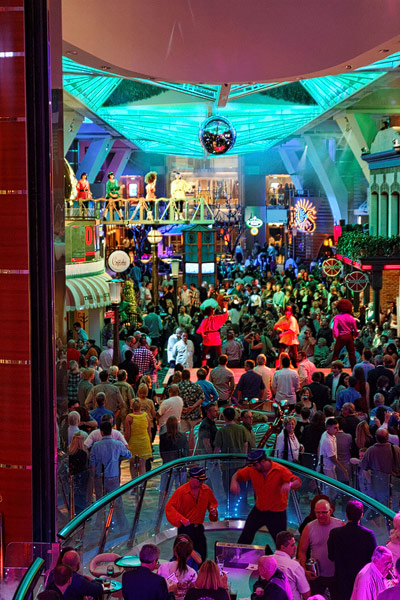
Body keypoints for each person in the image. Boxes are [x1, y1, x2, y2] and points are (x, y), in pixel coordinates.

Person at [231, 449, 301, 544]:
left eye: (255, 465)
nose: (254, 467)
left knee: (281, 543)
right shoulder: (253, 469)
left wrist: (289, 484)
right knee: (246, 535)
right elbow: (237, 474)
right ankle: (240, 552)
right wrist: (234, 481)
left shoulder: (280, 470)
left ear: (263, 461)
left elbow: (297, 482)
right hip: (259, 510)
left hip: (277, 513)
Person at [165, 466, 218, 561]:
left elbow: (212, 504)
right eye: (199, 480)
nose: (202, 482)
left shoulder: (206, 490)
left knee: (202, 556)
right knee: (182, 556)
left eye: (203, 480)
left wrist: (213, 511)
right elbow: (169, 508)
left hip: (199, 528)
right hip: (185, 529)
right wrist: (182, 519)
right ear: (191, 478)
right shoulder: (181, 491)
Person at [327, 500, 377, 600]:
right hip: (362, 582)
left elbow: (331, 556)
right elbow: (374, 559)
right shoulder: (368, 535)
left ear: (346, 515)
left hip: (341, 582)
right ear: (361, 515)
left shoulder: (334, 533)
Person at [298, 499, 343, 600]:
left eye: (324, 512)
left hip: (336, 575)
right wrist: (304, 570)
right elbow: (302, 551)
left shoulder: (340, 525)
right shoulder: (309, 528)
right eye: (318, 513)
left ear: (330, 511)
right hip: (316, 576)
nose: (321, 515)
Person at [90, 421, 131, 528]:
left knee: (100, 501)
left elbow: (92, 462)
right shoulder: (118, 444)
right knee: (116, 500)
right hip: (113, 476)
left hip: (100, 476)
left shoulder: (96, 446)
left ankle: (100, 523)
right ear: (111, 431)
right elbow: (128, 454)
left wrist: (93, 477)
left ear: (101, 432)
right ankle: (121, 524)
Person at [273, 531, 311, 600]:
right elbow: (306, 594)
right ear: (283, 547)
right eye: (292, 545)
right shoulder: (294, 566)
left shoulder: (267, 561)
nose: (295, 547)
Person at [125, 398, 152, 477]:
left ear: (132, 406)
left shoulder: (129, 417)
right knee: (142, 465)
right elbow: (149, 431)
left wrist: (125, 443)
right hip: (144, 442)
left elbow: (127, 433)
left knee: (132, 464)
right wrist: (150, 443)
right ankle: (142, 482)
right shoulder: (146, 416)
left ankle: (134, 481)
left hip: (133, 444)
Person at [331, 299, 358, 368]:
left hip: (341, 336)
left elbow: (335, 328)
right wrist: (354, 336)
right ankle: (354, 368)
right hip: (349, 336)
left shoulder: (337, 317)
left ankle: (334, 368)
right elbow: (355, 330)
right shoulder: (351, 318)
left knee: (336, 353)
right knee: (352, 354)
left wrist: (336, 336)